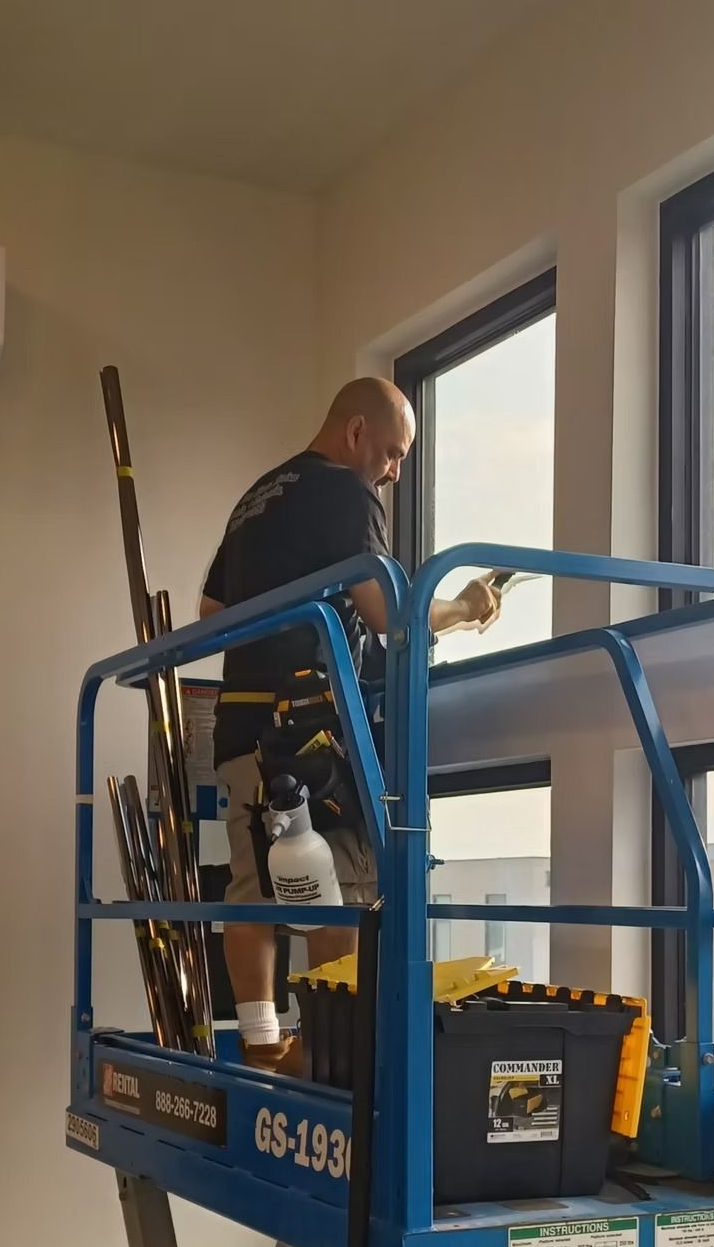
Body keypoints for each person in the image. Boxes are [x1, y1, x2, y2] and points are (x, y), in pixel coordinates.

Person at [200, 376, 501, 1070]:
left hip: (242, 728)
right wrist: (459, 607)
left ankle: (263, 1043)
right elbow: (390, 615)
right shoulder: (343, 490)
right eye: (392, 454)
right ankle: (331, 1056)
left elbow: (212, 614)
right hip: (309, 734)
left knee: (253, 892)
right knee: (341, 889)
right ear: (356, 433)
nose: (394, 473)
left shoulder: (258, 498)